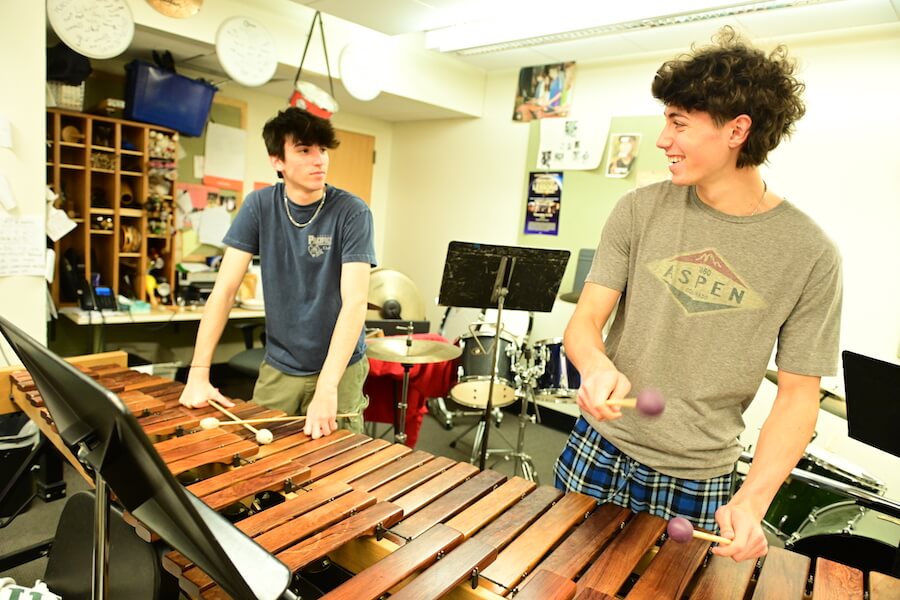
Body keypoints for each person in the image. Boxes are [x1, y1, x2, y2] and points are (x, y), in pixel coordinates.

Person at [555, 26, 842, 563]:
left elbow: (799, 396)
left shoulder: (810, 253)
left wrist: (753, 502)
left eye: (679, 123)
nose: (663, 139)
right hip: (598, 449)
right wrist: (594, 365)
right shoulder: (637, 210)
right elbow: (584, 321)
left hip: (698, 481)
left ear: (737, 130)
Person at [178, 107, 376, 440]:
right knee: (258, 462)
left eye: (322, 150)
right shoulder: (259, 206)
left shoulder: (352, 212)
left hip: (340, 369)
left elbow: (354, 303)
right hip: (280, 365)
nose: (319, 160)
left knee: (335, 468)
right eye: (304, 150)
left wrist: (328, 387)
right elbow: (224, 291)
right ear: (277, 160)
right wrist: (198, 372)